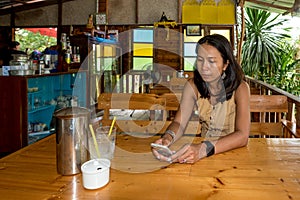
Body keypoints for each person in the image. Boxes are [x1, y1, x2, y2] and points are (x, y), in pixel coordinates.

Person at [152, 34, 250, 164]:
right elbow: (179, 124)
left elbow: (242, 136)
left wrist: (202, 149)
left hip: (232, 153)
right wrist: (168, 138)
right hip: (203, 155)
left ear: (225, 64)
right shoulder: (193, 86)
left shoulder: (241, 88)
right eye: (200, 59)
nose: (204, 67)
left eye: (212, 61)